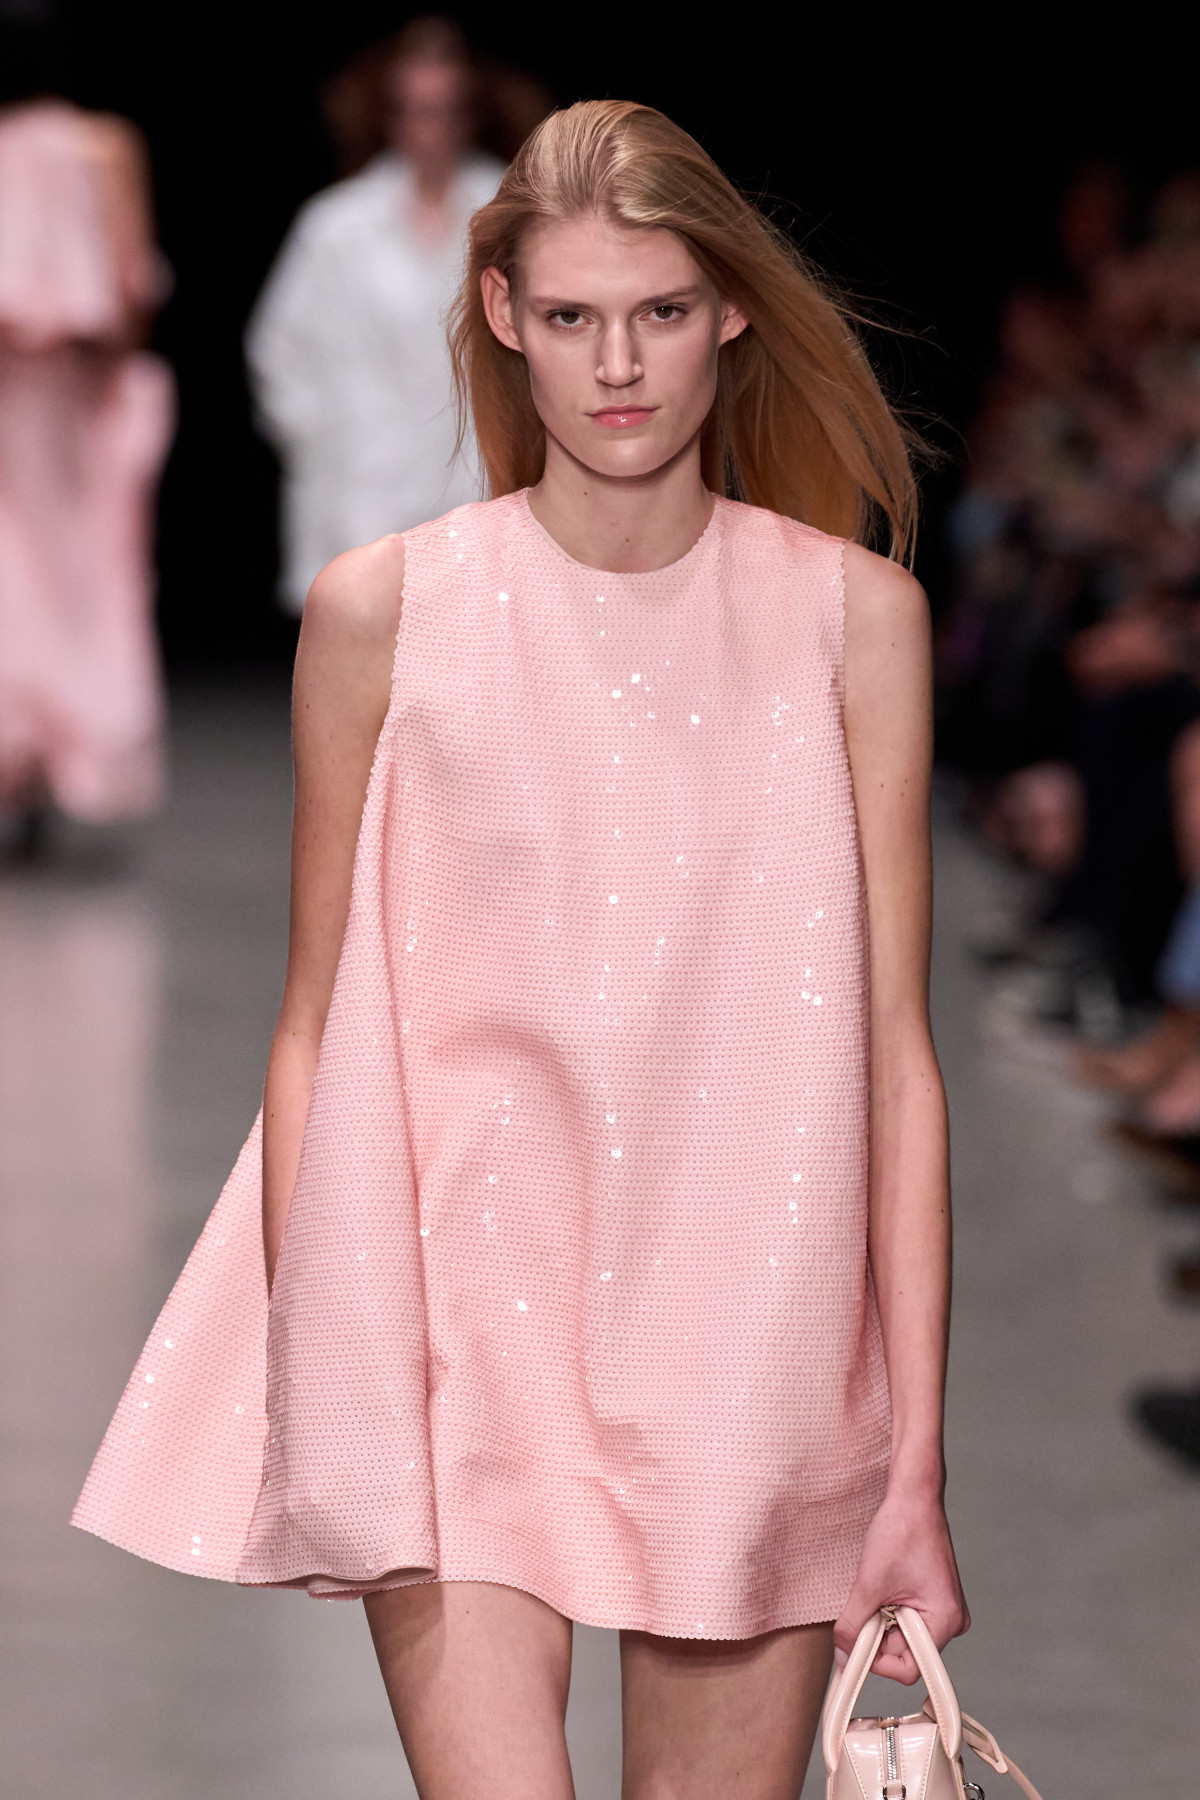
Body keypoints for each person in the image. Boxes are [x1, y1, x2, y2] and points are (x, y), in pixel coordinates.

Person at [74, 101, 968, 1797]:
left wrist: (914, 1460)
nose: (616, 366)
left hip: (753, 1336)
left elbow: (896, 1060)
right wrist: (324, 1381)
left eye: (658, 312)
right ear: (503, 316)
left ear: (729, 312)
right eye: (570, 316)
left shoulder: (853, 624)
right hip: (458, 1333)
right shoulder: (386, 612)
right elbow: (314, 1022)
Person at [245, 19, 513, 613]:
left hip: (478, 478)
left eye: (447, 110)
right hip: (363, 485)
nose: (432, 128)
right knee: (366, 648)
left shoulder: (511, 215)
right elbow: (280, 349)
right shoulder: (336, 226)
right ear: (388, 114)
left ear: (472, 114)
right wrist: (322, 439)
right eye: (416, 110)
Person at [0, 97, 174, 849]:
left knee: (21, 585)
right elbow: (131, 288)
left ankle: (27, 766)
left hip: (31, 405)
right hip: (72, 405)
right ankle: (54, 765)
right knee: (79, 590)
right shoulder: (104, 147)